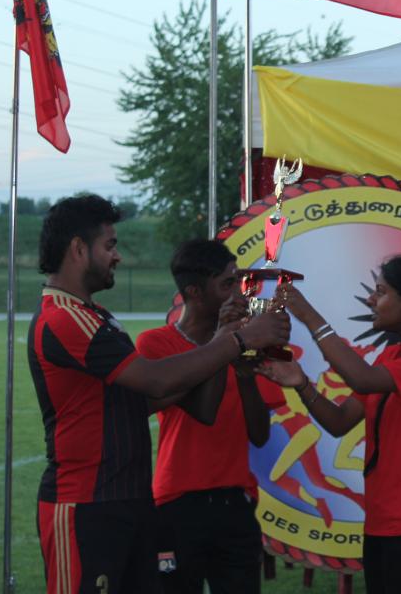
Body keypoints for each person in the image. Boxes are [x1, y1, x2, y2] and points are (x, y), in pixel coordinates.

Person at [27, 194, 290, 593]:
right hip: (85, 503)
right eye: (109, 245)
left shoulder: (95, 316)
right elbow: (155, 381)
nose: (117, 256)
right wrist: (238, 340)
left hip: (127, 500)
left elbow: (169, 402)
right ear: (79, 249)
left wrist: (226, 342)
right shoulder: (65, 317)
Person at [260, 254, 401, 594]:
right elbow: (339, 422)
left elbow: (362, 379)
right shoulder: (391, 356)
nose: (371, 299)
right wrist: (302, 383)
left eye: (380, 292)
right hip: (382, 521)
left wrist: (310, 317)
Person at [136, 238, 280, 594]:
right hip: (177, 501)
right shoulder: (156, 344)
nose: (239, 293)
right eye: (228, 284)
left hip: (235, 501)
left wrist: (245, 374)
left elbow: (260, 434)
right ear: (195, 292)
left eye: (239, 282)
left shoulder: (248, 340)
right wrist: (225, 340)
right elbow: (205, 411)